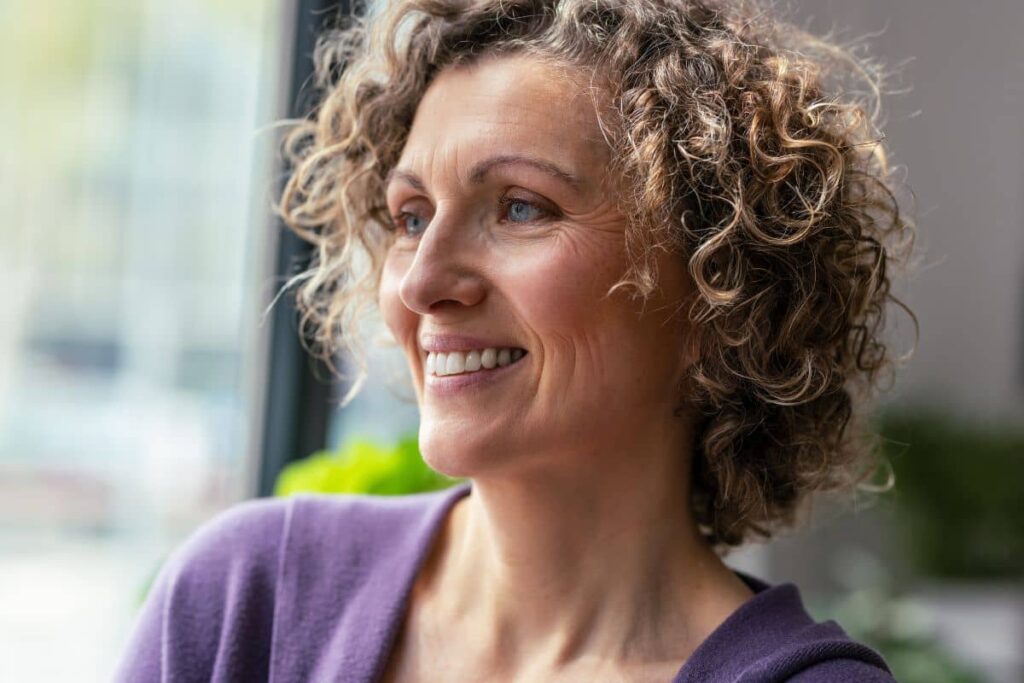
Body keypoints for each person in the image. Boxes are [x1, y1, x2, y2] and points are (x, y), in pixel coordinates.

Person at [116, 0, 916, 680]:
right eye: (411, 216)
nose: (422, 282)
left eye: (521, 207)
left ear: (720, 292)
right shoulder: (248, 600)